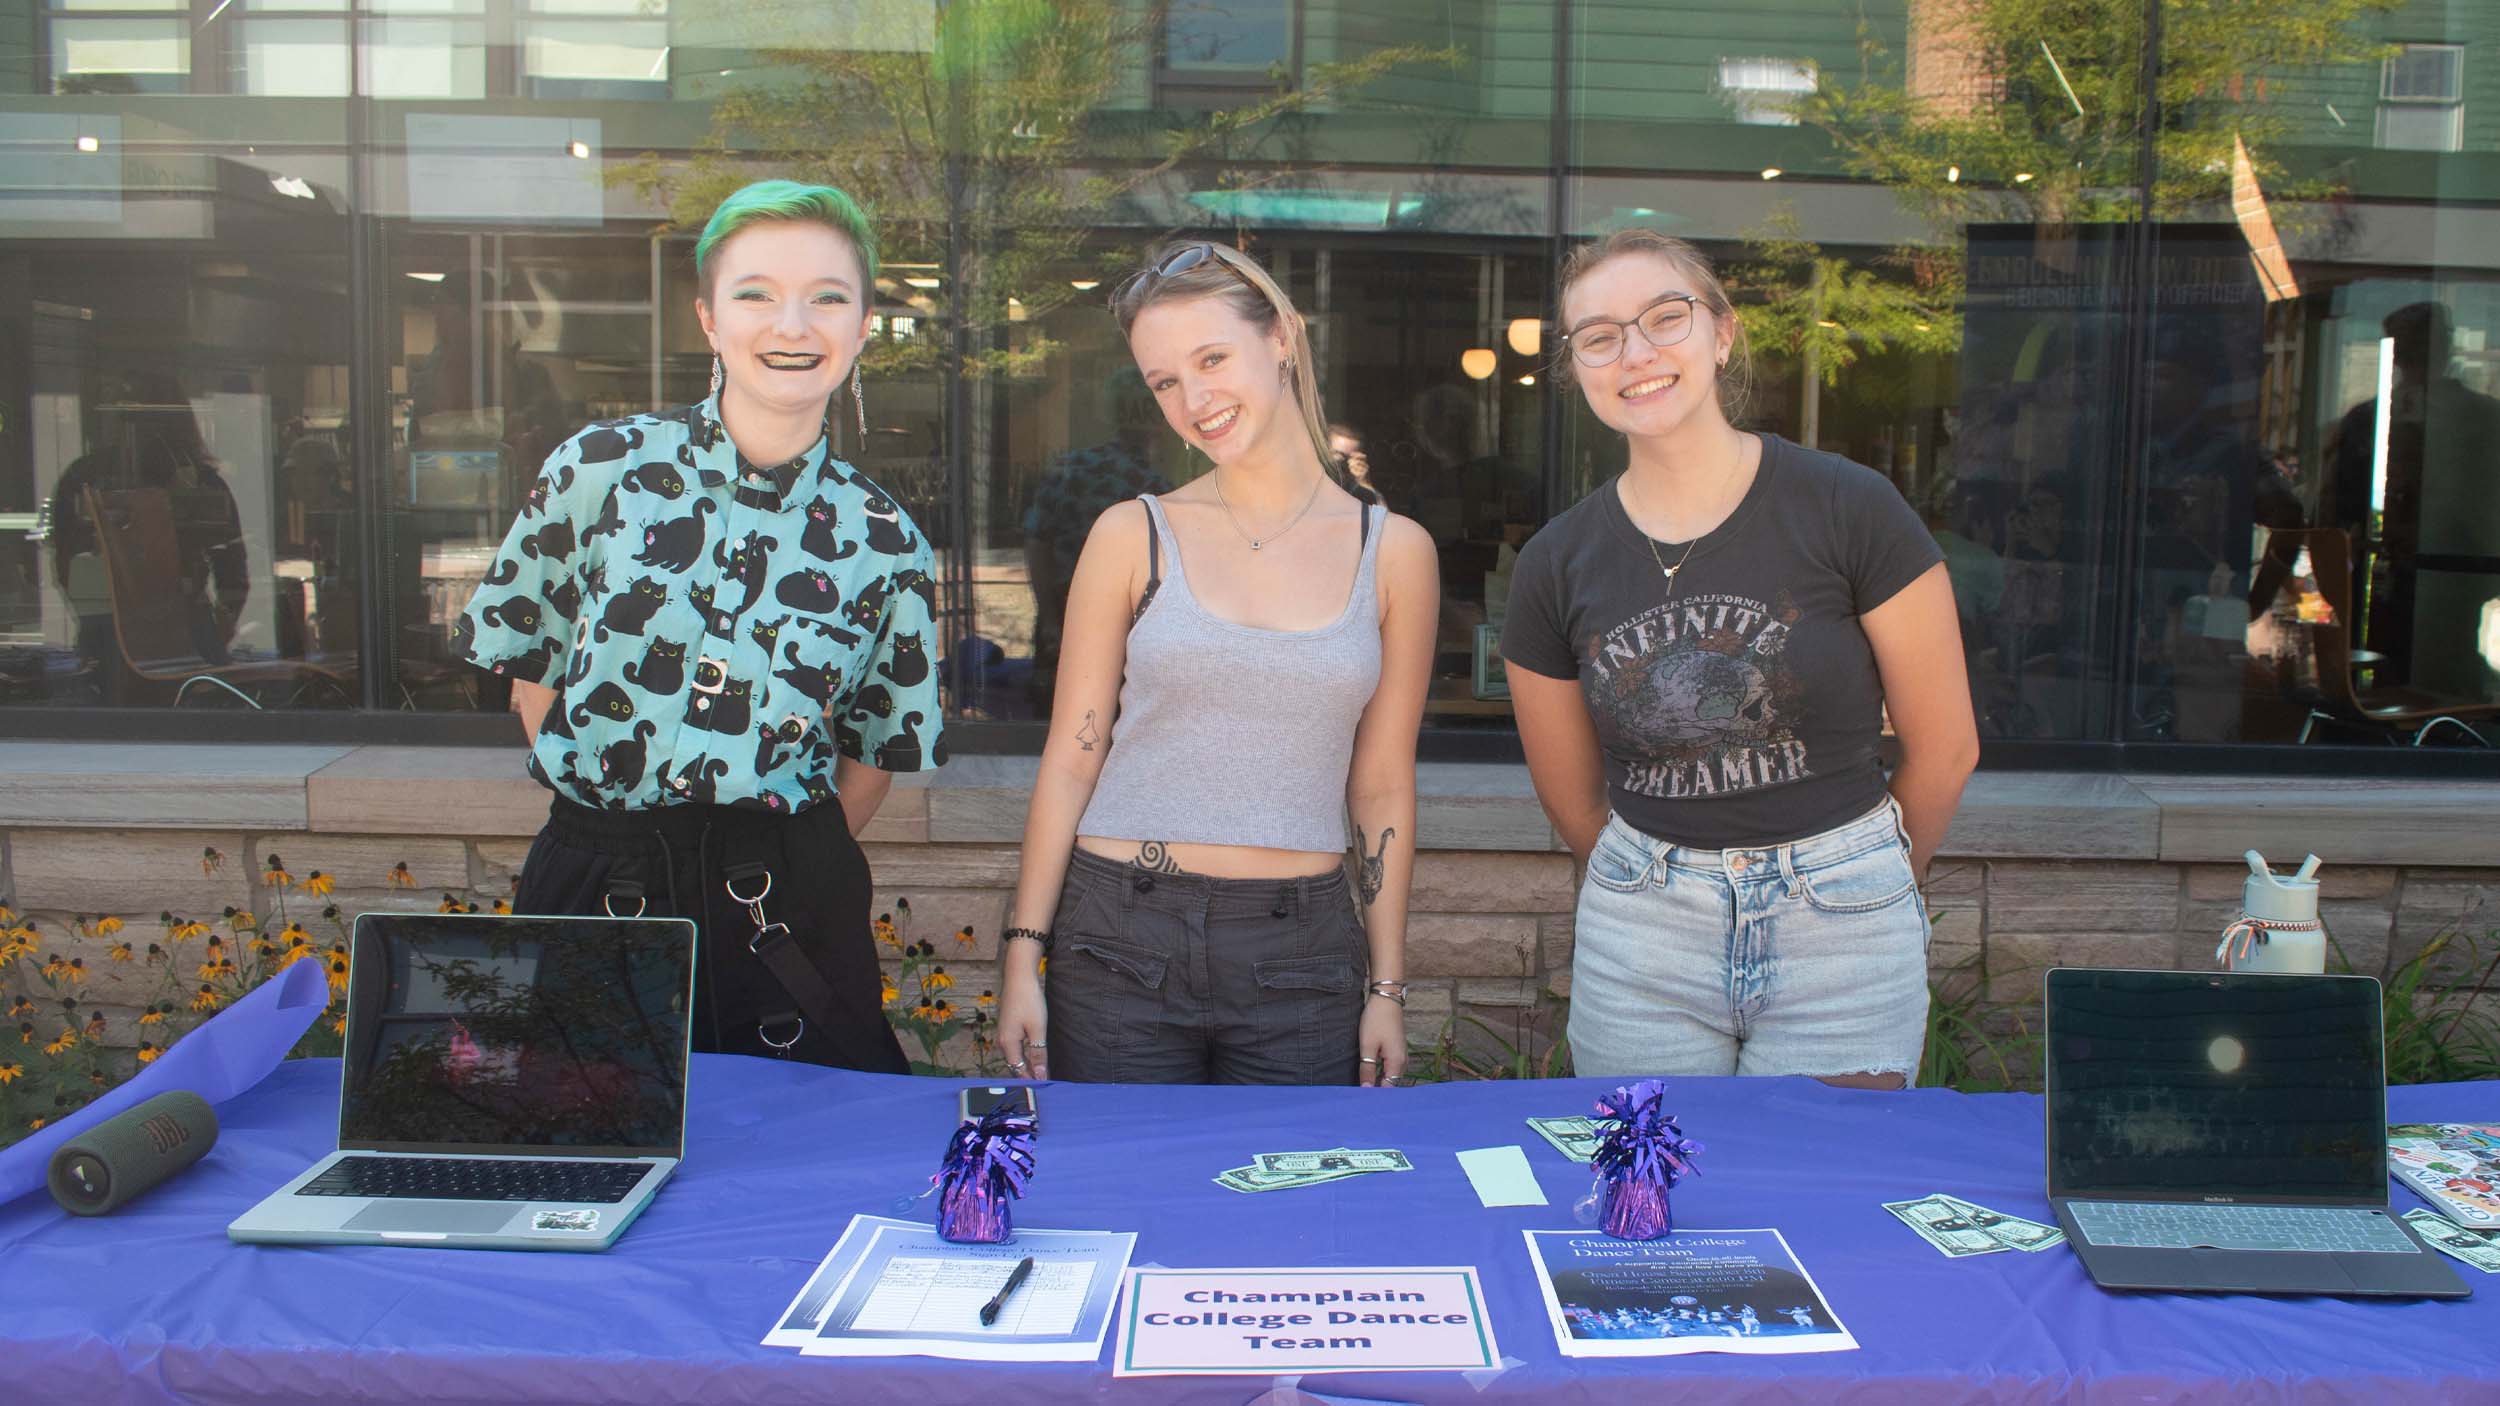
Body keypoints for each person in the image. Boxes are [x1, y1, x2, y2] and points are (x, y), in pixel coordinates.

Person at [453, 180, 944, 1072]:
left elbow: (873, 755)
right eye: (756, 294)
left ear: (864, 325)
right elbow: (534, 677)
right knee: (579, 1138)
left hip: (783, 901)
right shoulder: (596, 473)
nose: (791, 326)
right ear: (709, 320)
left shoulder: (887, 543)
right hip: (599, 873)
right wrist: (625, 814)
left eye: (826, 298)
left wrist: (765, 850)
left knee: (796, 1168)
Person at [1502, 229, 1976, 1086]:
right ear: (1578, 371)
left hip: (1844, 929)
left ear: (1722, 334)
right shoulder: (1555, 563)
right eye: (1601, 336)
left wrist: (1862, 887)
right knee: (1651, 1205)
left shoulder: (1849, 507)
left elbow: (1945, 746)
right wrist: (1655, 891)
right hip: (1643, 933)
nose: (1636, 353)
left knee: (1824, 1193)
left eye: (1665, 318)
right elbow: (1573, 803)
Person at [994, 241, 1439, 1086]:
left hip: (1300, 951)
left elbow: (1381, 784)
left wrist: (1387, 985)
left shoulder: (1394, 553)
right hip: (1119, 936)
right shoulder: (1132, 534)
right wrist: (1024, 954)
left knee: (1297, 1208)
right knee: (1126, 1200)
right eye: (1164, 381)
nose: (1194, 400)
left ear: (1282, 339)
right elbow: (1073, 755)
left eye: (1211, 359)